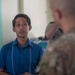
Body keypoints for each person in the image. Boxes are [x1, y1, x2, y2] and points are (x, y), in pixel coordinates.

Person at [39, 0, 75, 75]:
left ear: (57, 14)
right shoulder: (52, 25)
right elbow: (48, 36)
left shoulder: (56, 53)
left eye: (52, 10)